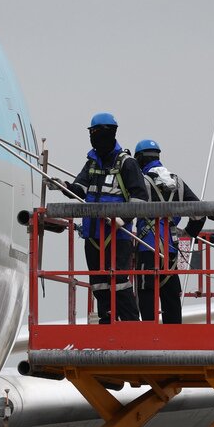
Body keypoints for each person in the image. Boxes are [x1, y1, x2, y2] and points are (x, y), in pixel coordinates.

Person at [67, 112, 149, 323]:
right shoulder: (92, 163)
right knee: (99, 282)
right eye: (93, 133)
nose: (96, 137)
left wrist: (121, 219)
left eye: (99, 132)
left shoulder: (127, 163)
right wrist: (64, 187)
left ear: (111, 133)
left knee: (119, 281)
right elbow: (81, 188)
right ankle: (107, 319)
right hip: (93, 234)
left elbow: (139, 198)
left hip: (117, 234)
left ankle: (131, 323)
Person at [132, 139, 207, 324]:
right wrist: (188, 235)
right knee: (171, 295)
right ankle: (175, 340)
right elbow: (200, 213)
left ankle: (149, 338)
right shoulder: (177, 182)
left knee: (147, 294)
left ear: (139, 159)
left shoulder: (140, 182)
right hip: (171, 250)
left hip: (146, 247)